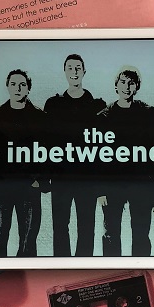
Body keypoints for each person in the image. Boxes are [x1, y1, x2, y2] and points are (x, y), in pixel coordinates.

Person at [44, 54, 106, 256]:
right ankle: (61, 264)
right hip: (61, 176)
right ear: (65, 72)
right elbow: (46, 142)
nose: (74, 72)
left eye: (78, 67)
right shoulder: (53, 105)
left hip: (87, 178)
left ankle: (84, 264)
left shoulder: (97, 105)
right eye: (70, 68)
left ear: (84, 71)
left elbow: (102, 147)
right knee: (60, 225)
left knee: (86, 225)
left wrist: (100, 183)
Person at [97, 67, 154, 256]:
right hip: (113, 184)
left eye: (131, 83)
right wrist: (101, 190)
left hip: (140, 184)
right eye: (123, 82)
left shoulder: (148, 113)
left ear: (137, 87)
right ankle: (110, 269)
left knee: (141, 233)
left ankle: (140, 268)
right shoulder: (104, 116)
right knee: (111, 232)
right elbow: (97, 156)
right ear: (116, 86)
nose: (127, 86)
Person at [0, 69, 46, 257]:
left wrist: (38, 181)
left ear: (28, 88)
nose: (17, 88)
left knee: (28, 244)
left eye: (22, 85)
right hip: (0, 186)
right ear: (7, 87)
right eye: (13, 84)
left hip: (28, 187)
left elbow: (47, 152)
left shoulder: (39, 117)